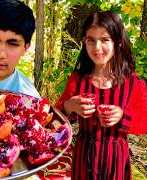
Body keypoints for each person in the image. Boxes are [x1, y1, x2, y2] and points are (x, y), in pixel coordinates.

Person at [55, 11, 147, 179]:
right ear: (84, 42)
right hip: (84, 158)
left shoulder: (133, 83)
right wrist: (69, 106)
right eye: (91, 40)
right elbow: (54, 119)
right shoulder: (78, 80)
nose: (97, 48)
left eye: (105, 40)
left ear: (118, 42)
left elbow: (145, 121)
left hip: (116, 159)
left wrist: (122, 115)